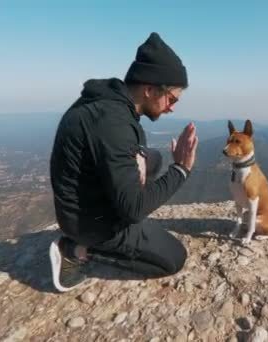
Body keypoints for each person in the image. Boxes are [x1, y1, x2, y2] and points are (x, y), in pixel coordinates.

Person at [48, 32, 198, 292]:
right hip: (88, 222)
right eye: (171, 99)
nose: (172, 107)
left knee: (154, 159)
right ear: (150, 89)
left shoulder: (110, 103)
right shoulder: (112, 123)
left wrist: (139, 165)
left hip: (88, 199)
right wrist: (181, 169)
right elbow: (134, 210)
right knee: (173, 258)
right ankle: (76, 250)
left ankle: (124, 208)